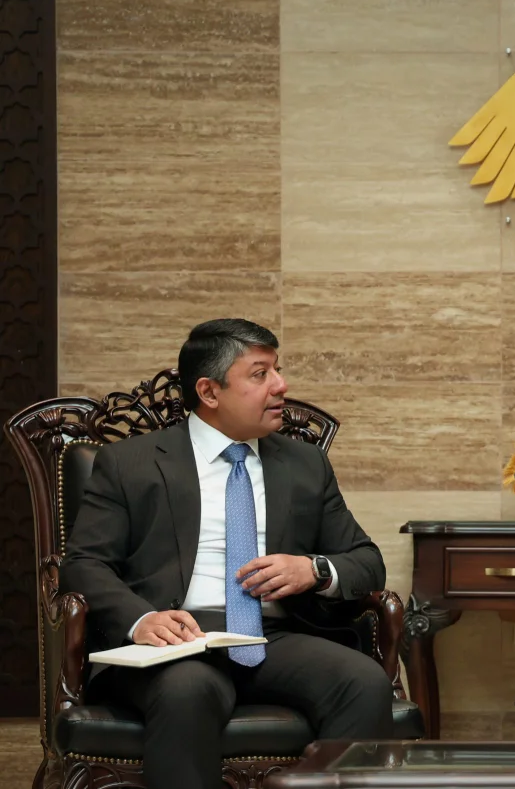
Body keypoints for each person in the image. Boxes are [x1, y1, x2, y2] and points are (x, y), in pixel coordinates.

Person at [62, 318, 393, 789]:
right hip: (175, 643)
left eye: (277, 369)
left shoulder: (304, 464)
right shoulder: (130, 464)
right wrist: (141, 619)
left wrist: (314, 569)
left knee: (364, 682)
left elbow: (366, 560)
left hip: (273, 637)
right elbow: (84, 564)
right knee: (188, 689)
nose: (281, 386)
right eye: (260, 374)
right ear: (209, 391)